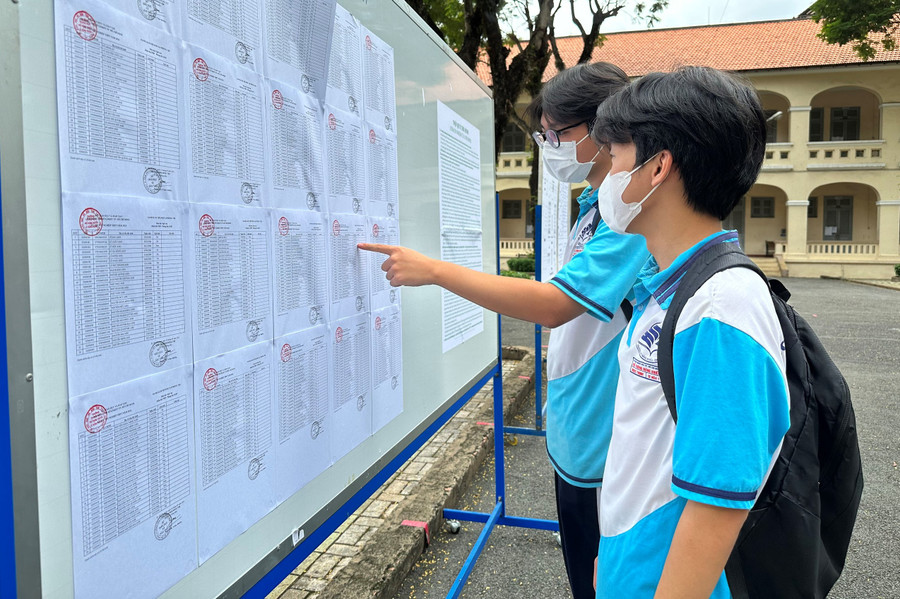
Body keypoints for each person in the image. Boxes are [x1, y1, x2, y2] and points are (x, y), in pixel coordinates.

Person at [359, 62, 649, 599]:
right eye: (543, 134)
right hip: (579, 430)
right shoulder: (594, 208)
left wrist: (436, 271)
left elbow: (556, 305)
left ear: (604, 129)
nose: (549, 146)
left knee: (607, 582)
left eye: (557, 134)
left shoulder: (631, 217)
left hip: (610, 445)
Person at [588, 66, 791, 598]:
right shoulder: (673, 288)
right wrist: (608, 556)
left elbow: (716, 503)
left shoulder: (722, 307)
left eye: (615, 156)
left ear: (658, 167)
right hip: (629, 566)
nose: (605, 174)